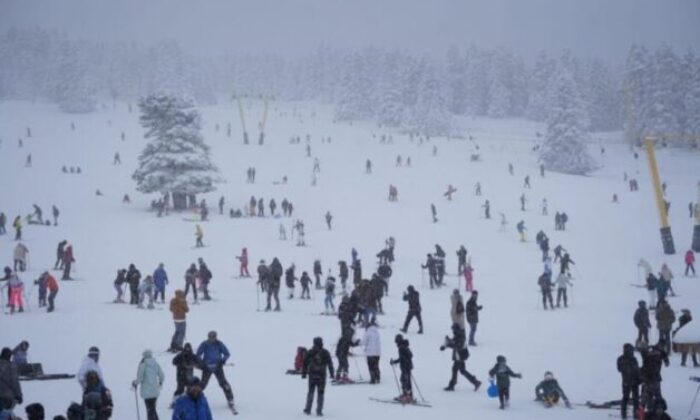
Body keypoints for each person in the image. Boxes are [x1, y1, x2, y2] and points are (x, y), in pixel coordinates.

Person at [196, 331, 234, 409]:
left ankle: (230, 399)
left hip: (218, 367)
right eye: (210, 337)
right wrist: (202, 364)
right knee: (203, 384)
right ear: (208, 337)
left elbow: (227, 353)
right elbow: (198, 354)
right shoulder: (204, 344)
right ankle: (194, 397)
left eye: (213, 337)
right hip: (207, 367)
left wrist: (222, 361)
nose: (212, 339)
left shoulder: (219, 344)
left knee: (223, 383)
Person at [441, 323, 481, 392]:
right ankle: (475, 382)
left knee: (455, 369)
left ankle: (452, 385)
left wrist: (448, 344)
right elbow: (454, 342)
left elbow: (457, 345)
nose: (453, 331)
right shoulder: (458, 335)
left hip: (460, 356)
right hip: (460, 356)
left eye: (453, 329)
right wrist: (447, 342)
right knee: (462, 371)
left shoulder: (461, 336)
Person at [302, 337, 334, 416]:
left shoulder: (310, 352)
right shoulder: (325, 352)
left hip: (312, 376)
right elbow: (330, 363)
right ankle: (319, 411)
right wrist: (332, 373)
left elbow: (305, 363)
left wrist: (304, 374)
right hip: (322, 376)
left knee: (310, 392)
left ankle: (308, 409)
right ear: (321, 343)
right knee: (321, 393)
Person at [133, 349, 164, 420]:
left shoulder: (143, 364)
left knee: (150, 410)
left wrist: (135, 382)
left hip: (147, 392)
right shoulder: (156, 364)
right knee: (152, 409)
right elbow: (162, 375)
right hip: (155, 391)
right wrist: (160, 382)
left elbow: (140, 378)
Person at [617, 343, 640, 419]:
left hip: (635, 381)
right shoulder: (621, 359)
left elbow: (637, 369)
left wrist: (639, 378)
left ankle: (636, 414)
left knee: (636, 399)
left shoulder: (634, 359)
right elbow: (620, 369)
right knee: (625, 398)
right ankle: (623, 414)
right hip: (626, 381)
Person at [390, 334, 414, 403]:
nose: (396, 343)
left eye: (396, 342)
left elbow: (402, 358)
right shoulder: (405, 346)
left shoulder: (401, 348)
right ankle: (409, 395)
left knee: (404, 381)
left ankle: (406, 396)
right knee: (407, 381)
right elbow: (410, 355)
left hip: (405, 367)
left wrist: (394, 361)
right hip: (408, 366)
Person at [0, 347, 22, 418]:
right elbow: (15, 382)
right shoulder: (10, 367)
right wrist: (19, 396)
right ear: (9, 356)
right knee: (5, 415)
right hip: (7, 397)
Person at [362, 318, 381, 384]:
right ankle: (378, 378)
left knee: (371, 367)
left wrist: (358, 342)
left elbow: (364, 342)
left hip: (370, 353)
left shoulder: (368, 332)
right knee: (376, 366)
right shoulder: (377, 332)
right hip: (377, 353)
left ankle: (372, 379)